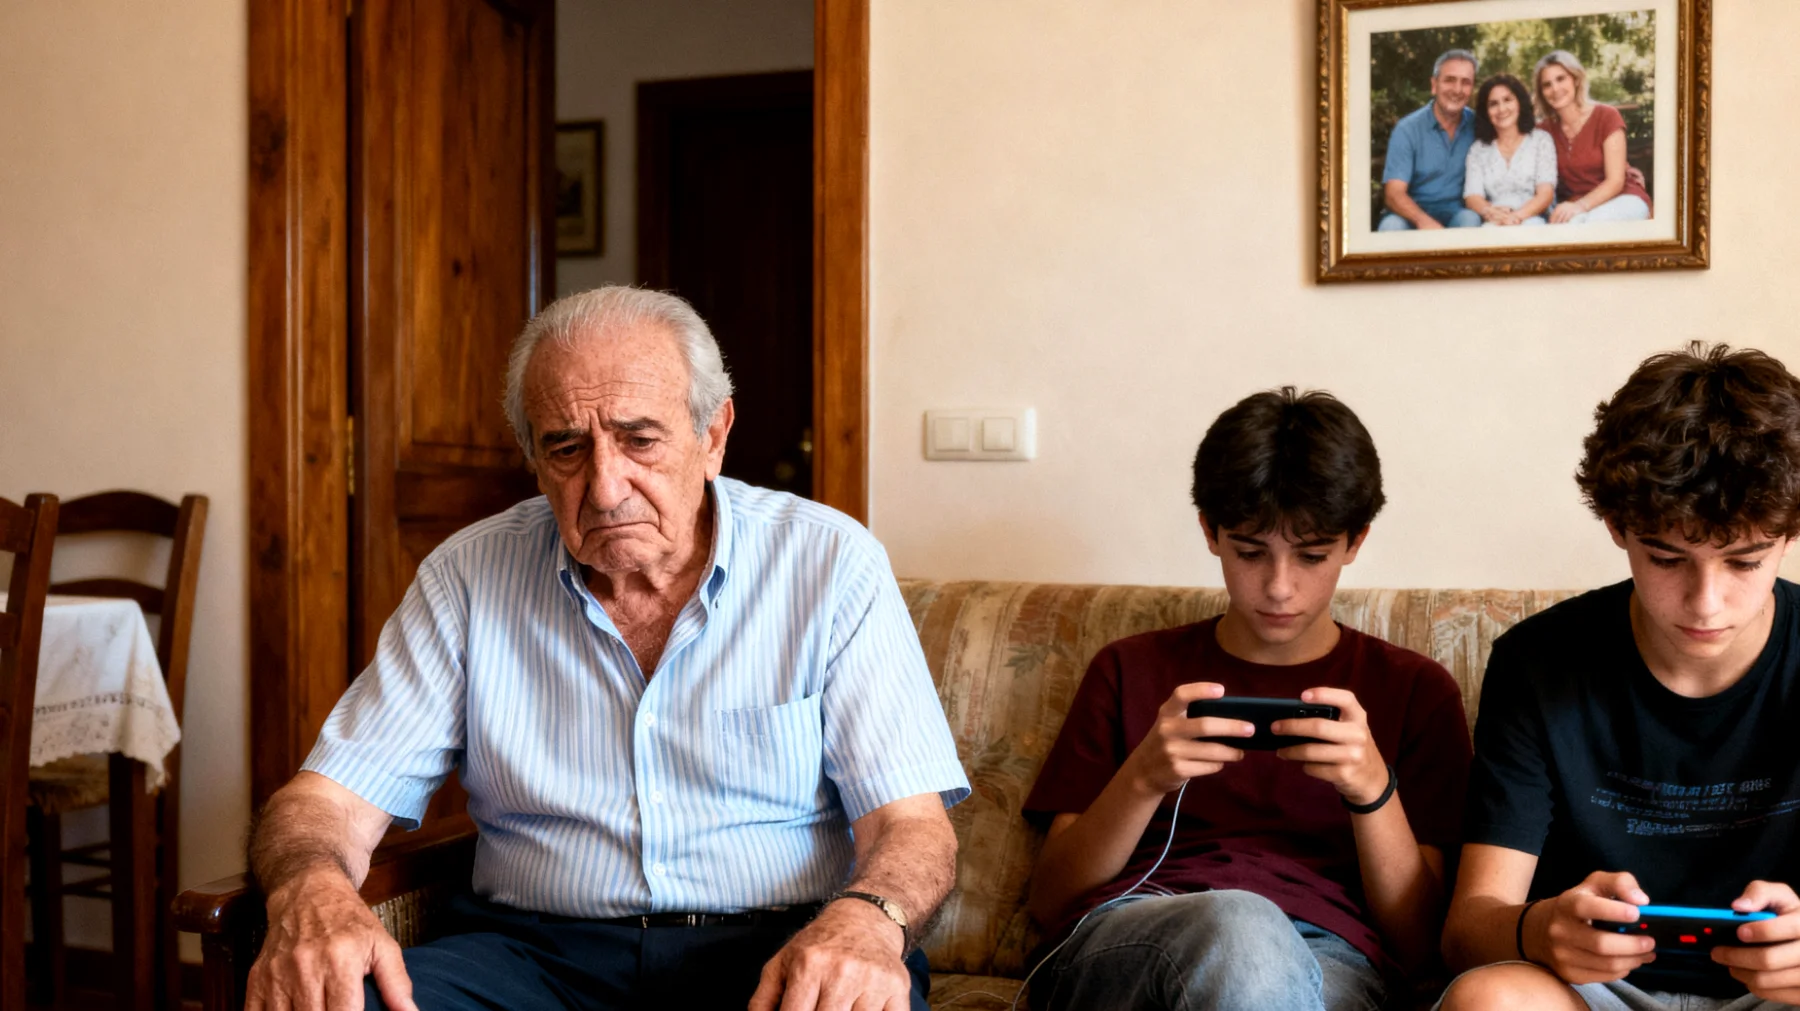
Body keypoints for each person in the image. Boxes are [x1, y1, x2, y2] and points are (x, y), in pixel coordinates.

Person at [242, 286, 971, 1011]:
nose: (605, 484)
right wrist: (312, 886)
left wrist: (869, 919)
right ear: (532, 457)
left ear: (713, 436)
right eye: (566, 447)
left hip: (772, 949)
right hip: (531, 958)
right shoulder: (466, 577)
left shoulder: (829, 563)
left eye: (640, 439)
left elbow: (911, 826)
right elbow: (323, 801)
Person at [1021, 387, 1473, 1011]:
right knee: (1242, 930)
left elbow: (1424, 946)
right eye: (1250, 552)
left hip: (1330, 960)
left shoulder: (1415, 690)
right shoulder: (1130, 669)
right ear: (1210, 531)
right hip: (1136, 935)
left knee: (1261, 960)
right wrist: (1144, 778)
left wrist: (1373, 791)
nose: (1280, 588)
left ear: (1356, 541)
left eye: (1312, 556)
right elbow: (1050, 902)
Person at [1439, 343, 1800, 1011]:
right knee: (1486, 999)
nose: (1705, 602)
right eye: (1667, 556)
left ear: (1790, 533)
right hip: (1591, 992)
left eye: (1745, 561)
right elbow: (1466, 931)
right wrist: (1538, 928)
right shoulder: (1537, 661)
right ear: (1616, 526)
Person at [1533, 49, 1652, 224]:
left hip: (1623, 198)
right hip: (1576, 207)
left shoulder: (1606, 116)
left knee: (1586, 227)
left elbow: (1616, 181)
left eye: (1561, 79)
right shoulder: (1543, 131)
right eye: (1547, 84)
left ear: (1575, 79)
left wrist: (1579, 206)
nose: (1555, 89)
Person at [1379, 49, 1484, 231]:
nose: (1457, 90)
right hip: (1411, 215)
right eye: (1450, 80)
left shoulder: (1479, 127)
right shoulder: (1407, 129)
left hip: (1458, 214)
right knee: (1390, 227)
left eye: (1465, 82)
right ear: (1434, 85)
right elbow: (1393, 193)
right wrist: (1424, 222)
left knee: (1471, 219)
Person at [1463, 73, 1556, 228]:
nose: (1501, 109)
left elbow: (1545, 194)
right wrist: (1490, 212)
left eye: (1507, 100)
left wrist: (1517, 217)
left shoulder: (1541, 140)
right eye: (1493, 104)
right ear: (1486, 111)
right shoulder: (1478, 150)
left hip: (1533, 217)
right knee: (1487, 233)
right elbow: (1472, 196)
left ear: (1520, 102)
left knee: (1532, 230)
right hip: (1494, 218)